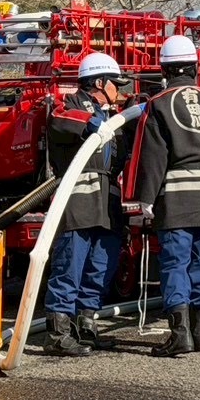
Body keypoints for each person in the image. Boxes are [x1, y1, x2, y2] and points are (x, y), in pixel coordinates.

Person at [132, 35, 200, 357]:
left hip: (179, 197)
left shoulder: (159, 104)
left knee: (175, 264)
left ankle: (180, 335)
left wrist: (145, 200)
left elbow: (153, 156)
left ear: (164, 69)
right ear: (196, 68)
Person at [40, 52, 133, 357]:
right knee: (70, 266)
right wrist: (93, 122)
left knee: (100, 268)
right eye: (114, 84)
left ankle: (86, 325)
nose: (119, 90)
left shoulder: (114, 116)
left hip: (107, 203)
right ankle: (58, 332)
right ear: (98, 82)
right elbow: (61, 120)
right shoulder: (70, 106)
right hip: (78, 202)